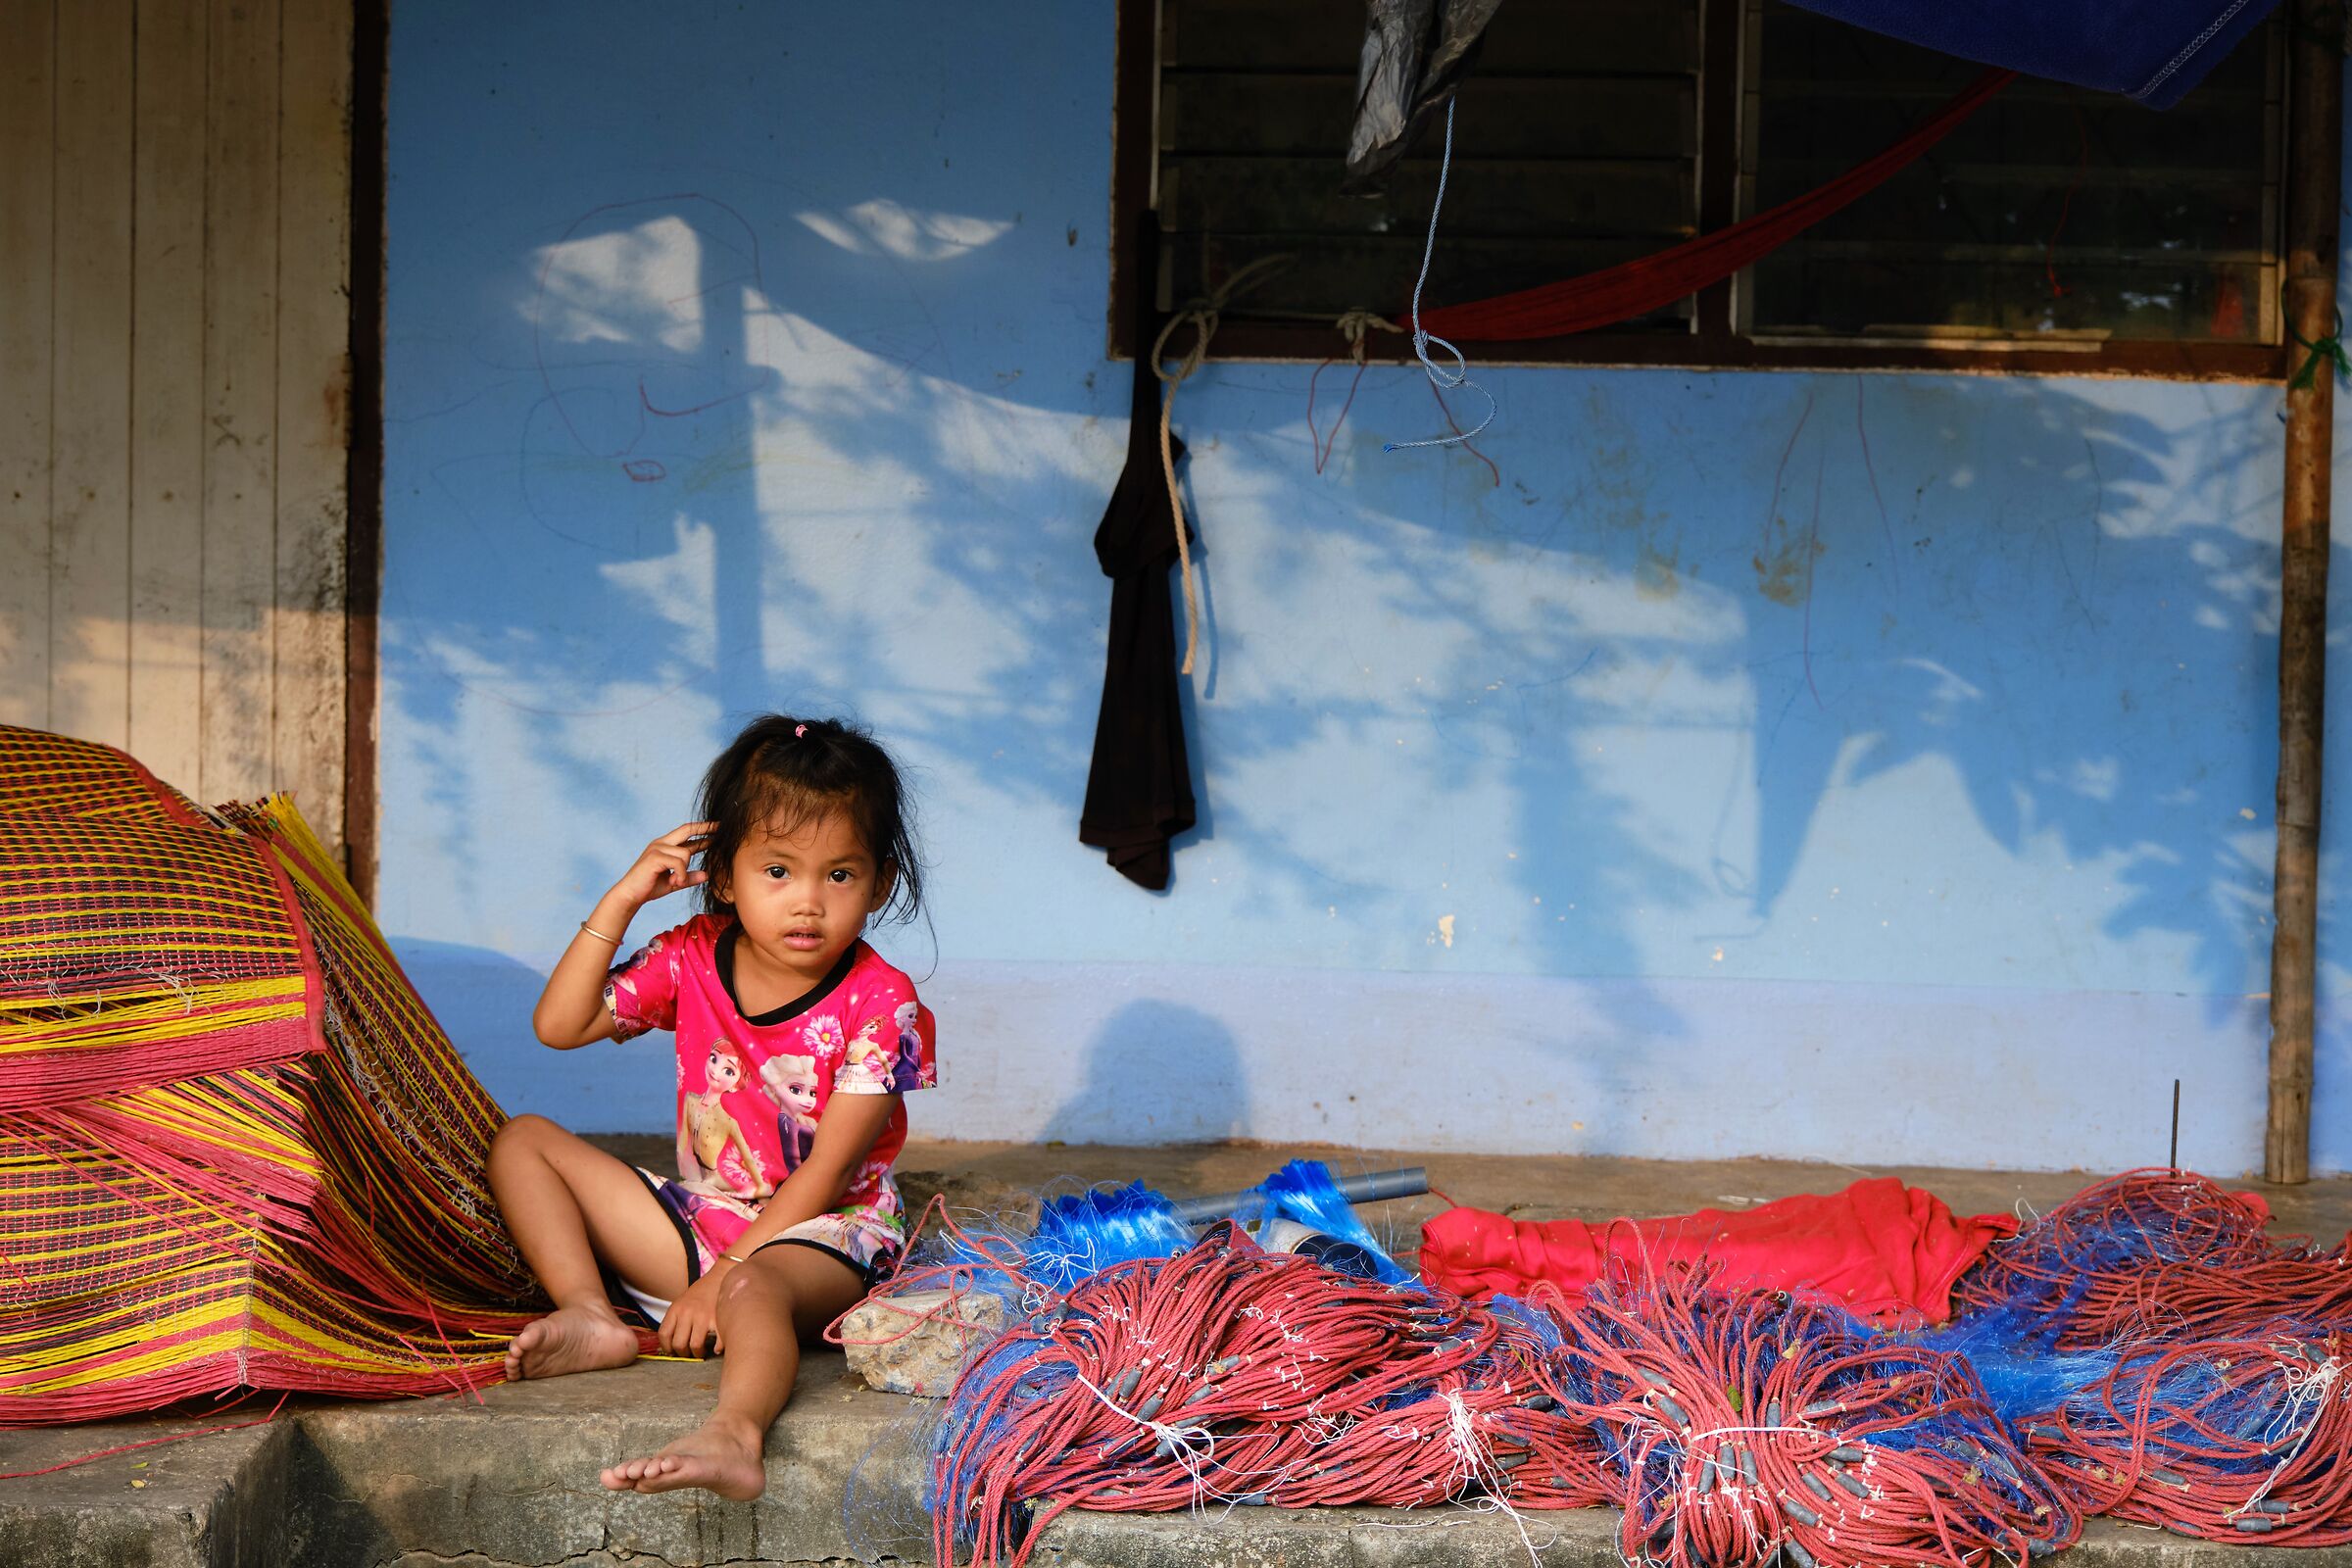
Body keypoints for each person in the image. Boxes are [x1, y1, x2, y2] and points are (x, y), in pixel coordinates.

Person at [487, 713, 935, 1500]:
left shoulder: (880, 1003)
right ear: (724, 875)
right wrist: (624, 899)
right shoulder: (691, 954)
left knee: (753, 1290)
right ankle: (591, 1315)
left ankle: (734, 1435)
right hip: (704, 1222)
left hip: (825, 1238)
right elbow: (559, 1026)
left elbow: (826, 1176)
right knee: (523, 1142)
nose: (807, 902)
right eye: (778, 871)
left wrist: (723, 1277)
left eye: (839, 875)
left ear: (880, 883)